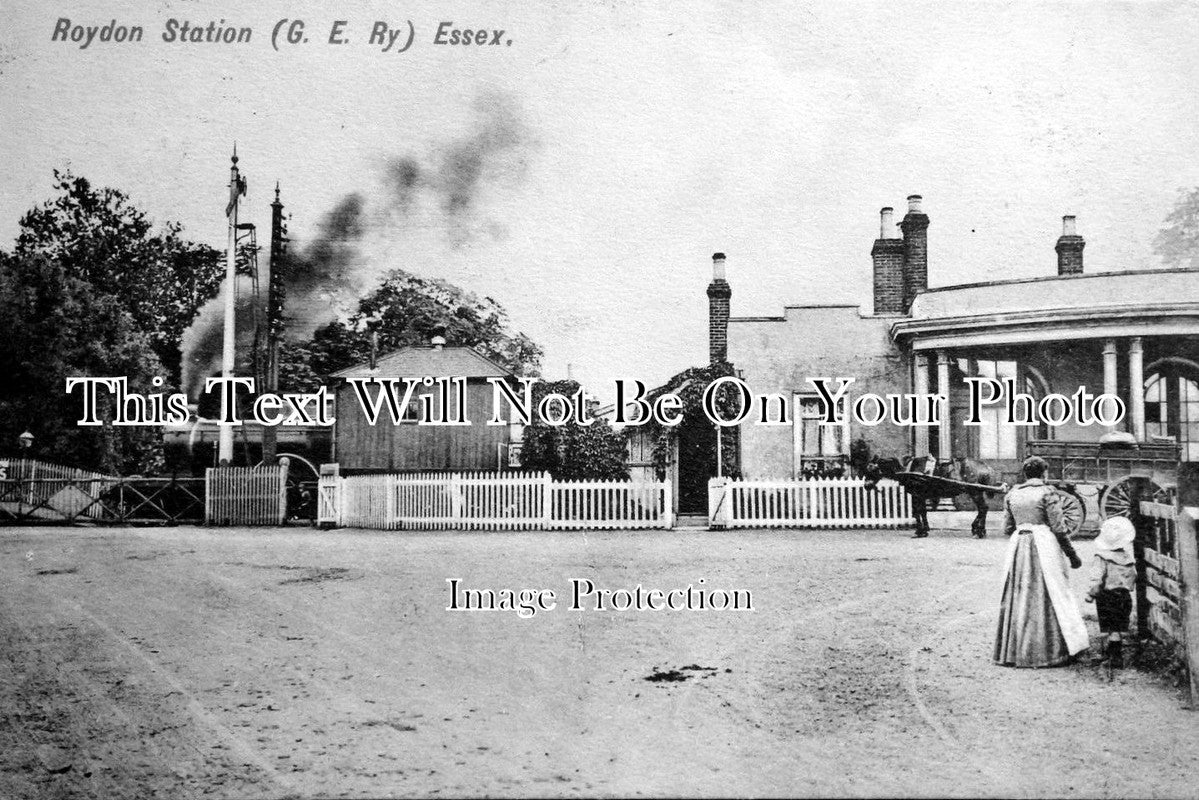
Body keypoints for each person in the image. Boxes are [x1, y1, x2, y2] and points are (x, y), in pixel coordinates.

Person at [993, 455, 1089, 667]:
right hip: (1043, 546)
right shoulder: (1048, 493)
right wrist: (1072, 555)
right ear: (1044, 473)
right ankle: (1050, 651)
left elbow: (1006, 528)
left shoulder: (1013, 494)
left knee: (1019, 595)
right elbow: (1059, 528)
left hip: (1019, 546)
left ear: (1025, 474)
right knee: (1052, 592)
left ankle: (1014, 651)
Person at [1084, 516, 1137, 668]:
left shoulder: (1101, 558)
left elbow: (1097, 578)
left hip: (1107, 596)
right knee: (1118, 627)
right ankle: (1115, 653)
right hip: (1124, 596)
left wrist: (1090, 594)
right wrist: (1127, 587)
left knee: (1110, 627)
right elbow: (1132, 576)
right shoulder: (1128, 558)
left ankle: (1113, 656)